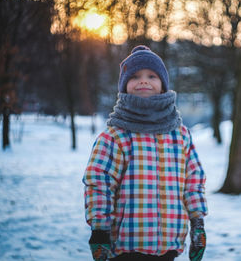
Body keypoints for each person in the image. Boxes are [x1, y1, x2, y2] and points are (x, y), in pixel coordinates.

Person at [83, 45, 208, 261]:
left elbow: (193, 181)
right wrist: (100, 229)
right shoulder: (116, 136)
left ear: (162, 85)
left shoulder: (180, 135)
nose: (143, 81)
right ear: (124, 86)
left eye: (151, 76)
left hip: (169, 246)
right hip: (125, 248)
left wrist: (197, 222)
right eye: (135, 76)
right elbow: (99, 183)